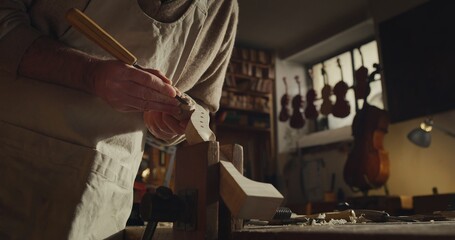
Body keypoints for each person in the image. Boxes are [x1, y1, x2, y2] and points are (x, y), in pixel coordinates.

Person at [0, 0, 238, 239]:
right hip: (13, 165)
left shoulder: (223, 9)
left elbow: (201, 108)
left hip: (101, 198)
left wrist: (172, 121)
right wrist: (89, 74)